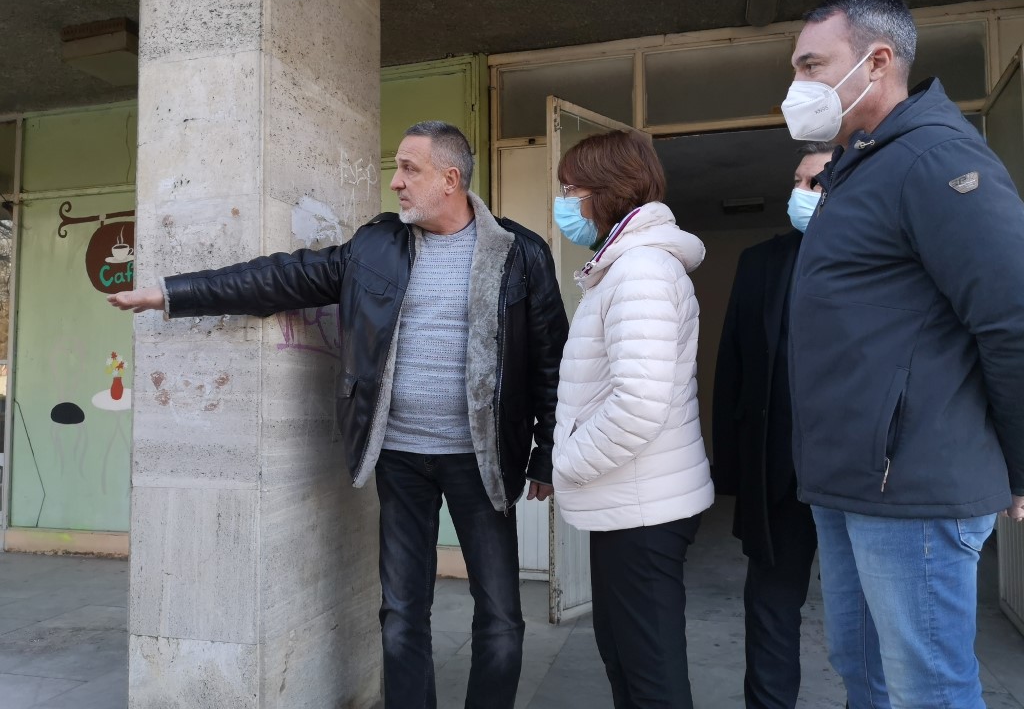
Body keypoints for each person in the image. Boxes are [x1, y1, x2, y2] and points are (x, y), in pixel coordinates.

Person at [108, 121, 569, 709]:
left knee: (501, 617)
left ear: (450, 179)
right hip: (399, 457)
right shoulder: (377, 246)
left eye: (409, 169)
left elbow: (551, 361)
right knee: (401, 615)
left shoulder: (519, 254)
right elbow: (282, 276)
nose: (396, 182)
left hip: (483, 462)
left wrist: (546, 454)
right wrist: (171, 294)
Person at [781, 0, 1024, 708]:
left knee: (928, 688)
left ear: (878, 61)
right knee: (865, 674)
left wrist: (1020, 462)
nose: (796, 87)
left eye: (811, 65)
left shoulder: (936, 160)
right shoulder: (861, 166)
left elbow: (1011, 319)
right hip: (852, 479)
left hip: (912, 485)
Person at [550, 129, 714, 709]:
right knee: (626, 661)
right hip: (630, 501)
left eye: (571, 190)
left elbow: (637, 404)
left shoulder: (640, 270)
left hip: (643, 508)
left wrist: (567, 461)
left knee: (650, 680)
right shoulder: (624, 266)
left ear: (606, 190)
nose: (565, 203)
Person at [711, 141, 835, 709]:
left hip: (860, 478)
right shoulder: (761, 262)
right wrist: (732, 472)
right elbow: (732, 366)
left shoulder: (890, 256)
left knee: (868, 616)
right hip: (779, 473)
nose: (799, 193)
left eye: (815, 183)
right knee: (770, 607)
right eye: (797, 181)